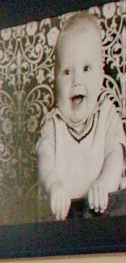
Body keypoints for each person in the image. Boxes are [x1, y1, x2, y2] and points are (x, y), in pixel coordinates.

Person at [36, 13, 126, 220]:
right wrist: (53, 185)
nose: (77, 80)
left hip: (107, 210)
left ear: (101, 76)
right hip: (65, 216)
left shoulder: (107, 113)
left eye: (86, 69)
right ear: (55, 80)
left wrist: (105, 182)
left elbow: (115, 154)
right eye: (67, 72)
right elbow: (45, 161)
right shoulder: (53, 123)